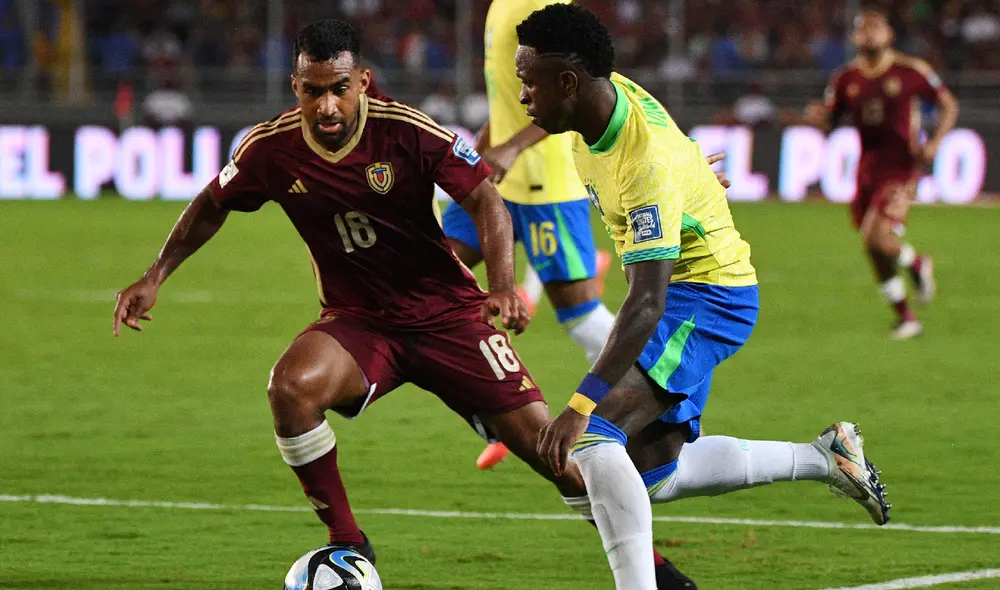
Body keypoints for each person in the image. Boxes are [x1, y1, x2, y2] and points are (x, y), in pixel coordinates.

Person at [111, 19, 686, 584]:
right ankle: (347, 543)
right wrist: (155, 274)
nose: (327, 107)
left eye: (339, 89)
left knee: (550, 453)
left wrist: (503, 285)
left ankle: (654, 571)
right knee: (290, 388)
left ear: (361, 81)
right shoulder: (271, 149)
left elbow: (486, 198)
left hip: (449, 317)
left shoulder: (408, 131)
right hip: (358, 323)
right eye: (313, 91)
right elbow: (212, 203)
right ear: (296, 87)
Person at [514, 5, 891, 588]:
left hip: (708, 296)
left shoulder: (643, 161)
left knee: (592, 436)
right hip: (692, 289)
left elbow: (646, 303)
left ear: (567, 82)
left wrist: (581, 403)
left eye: (527, 82)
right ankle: (824, 458)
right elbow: (666, 143)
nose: (520, 96)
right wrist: (691, 170)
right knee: (654, 475)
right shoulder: (599, 105)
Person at [440, 0, 617, 472]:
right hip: (496, 175)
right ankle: (502, 405)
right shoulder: (501, 6)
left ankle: (646, 391)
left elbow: (573, 92)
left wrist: (514, 148)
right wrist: (482, 146)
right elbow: (509, 97)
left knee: (579, 315)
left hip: (545, 185)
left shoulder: (545, 7)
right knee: (429, 271)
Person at [796, 6, 958, 339]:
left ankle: (916, 263)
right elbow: (831, 118)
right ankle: (906, 315)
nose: (869, 33)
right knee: (873, 247)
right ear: (855, 37)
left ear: (890, 35)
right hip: (868, 168)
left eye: (876, 27)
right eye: (863, 28)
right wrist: (818, 118)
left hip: (902, 166)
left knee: (875, 236)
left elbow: (949, 105)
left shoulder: (911, 71)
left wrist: (935, 144)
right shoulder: (845, 79)